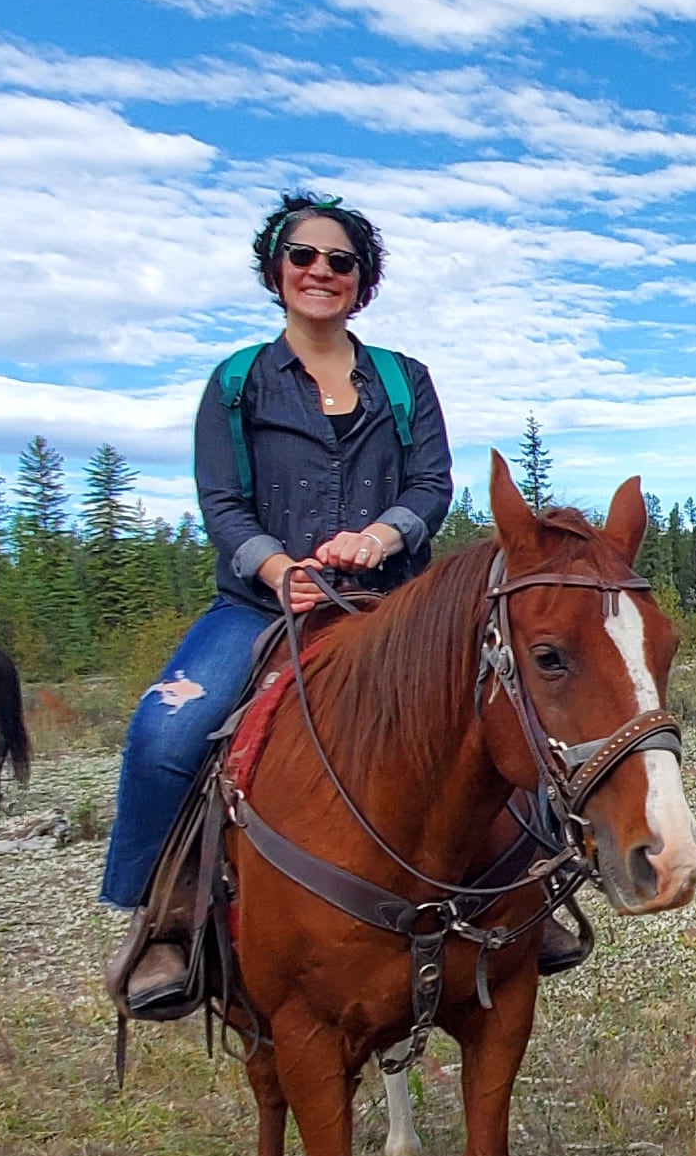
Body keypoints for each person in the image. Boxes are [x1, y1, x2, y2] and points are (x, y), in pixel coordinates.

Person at [106, 189, 456, 1020]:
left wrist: (380, 536)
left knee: (503, 699)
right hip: (261, 606)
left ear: (362, 282)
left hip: (388, 606)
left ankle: (529, 900)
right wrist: (276, 570)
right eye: (305, 257)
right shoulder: (238, 384)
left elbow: (432, 484)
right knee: (166, 730)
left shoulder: (404, 382)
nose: (321, 272)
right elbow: (221, 502)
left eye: (341, 261)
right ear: (277, 269)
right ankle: (163, 920)